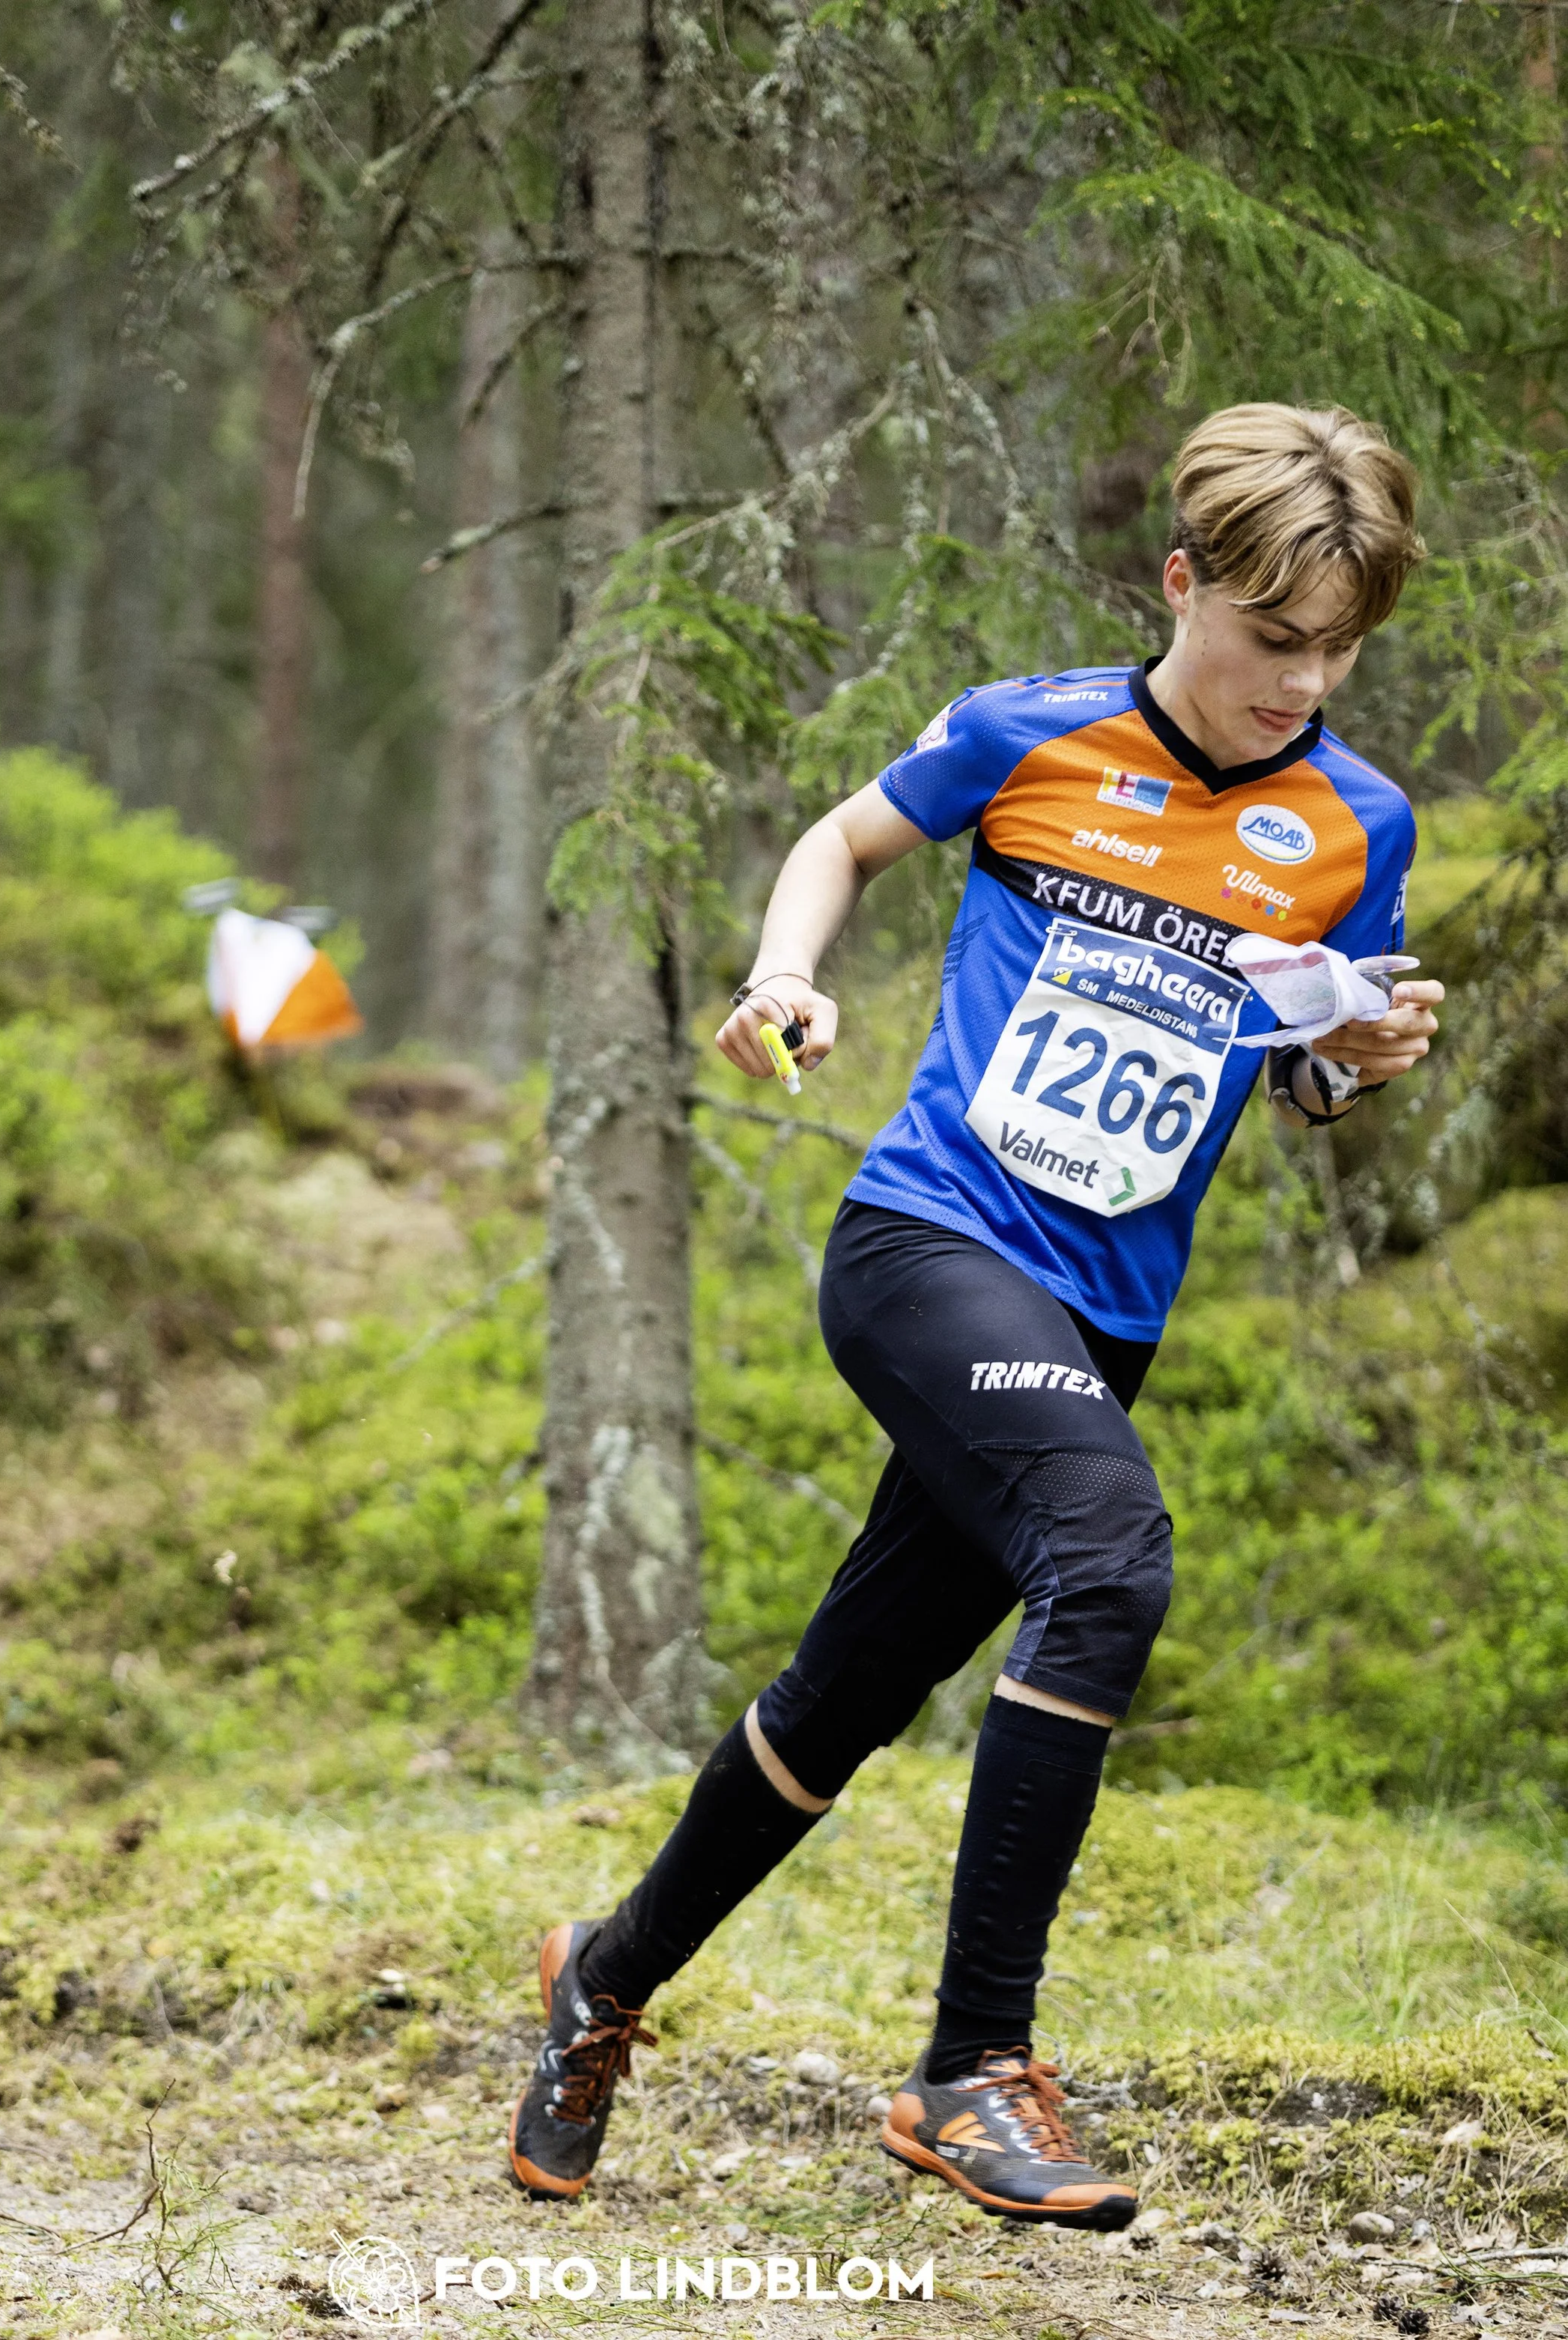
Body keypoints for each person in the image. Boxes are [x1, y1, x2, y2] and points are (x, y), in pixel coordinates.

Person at [506, 404, 1444, 2228]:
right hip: (928, 1242)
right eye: (1269, 640)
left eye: (1335, 650)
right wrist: (787, 979)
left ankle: (599, 1978)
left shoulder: (1355, 822)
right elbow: (838, 840)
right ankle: (970, 2066)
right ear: (1182, 585)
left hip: (1104, 1312)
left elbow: (1303, 1084)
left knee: (845, 1693)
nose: (1299, 683)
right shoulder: (1034, 731)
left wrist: (1354, 1058)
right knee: (1106, 1557)